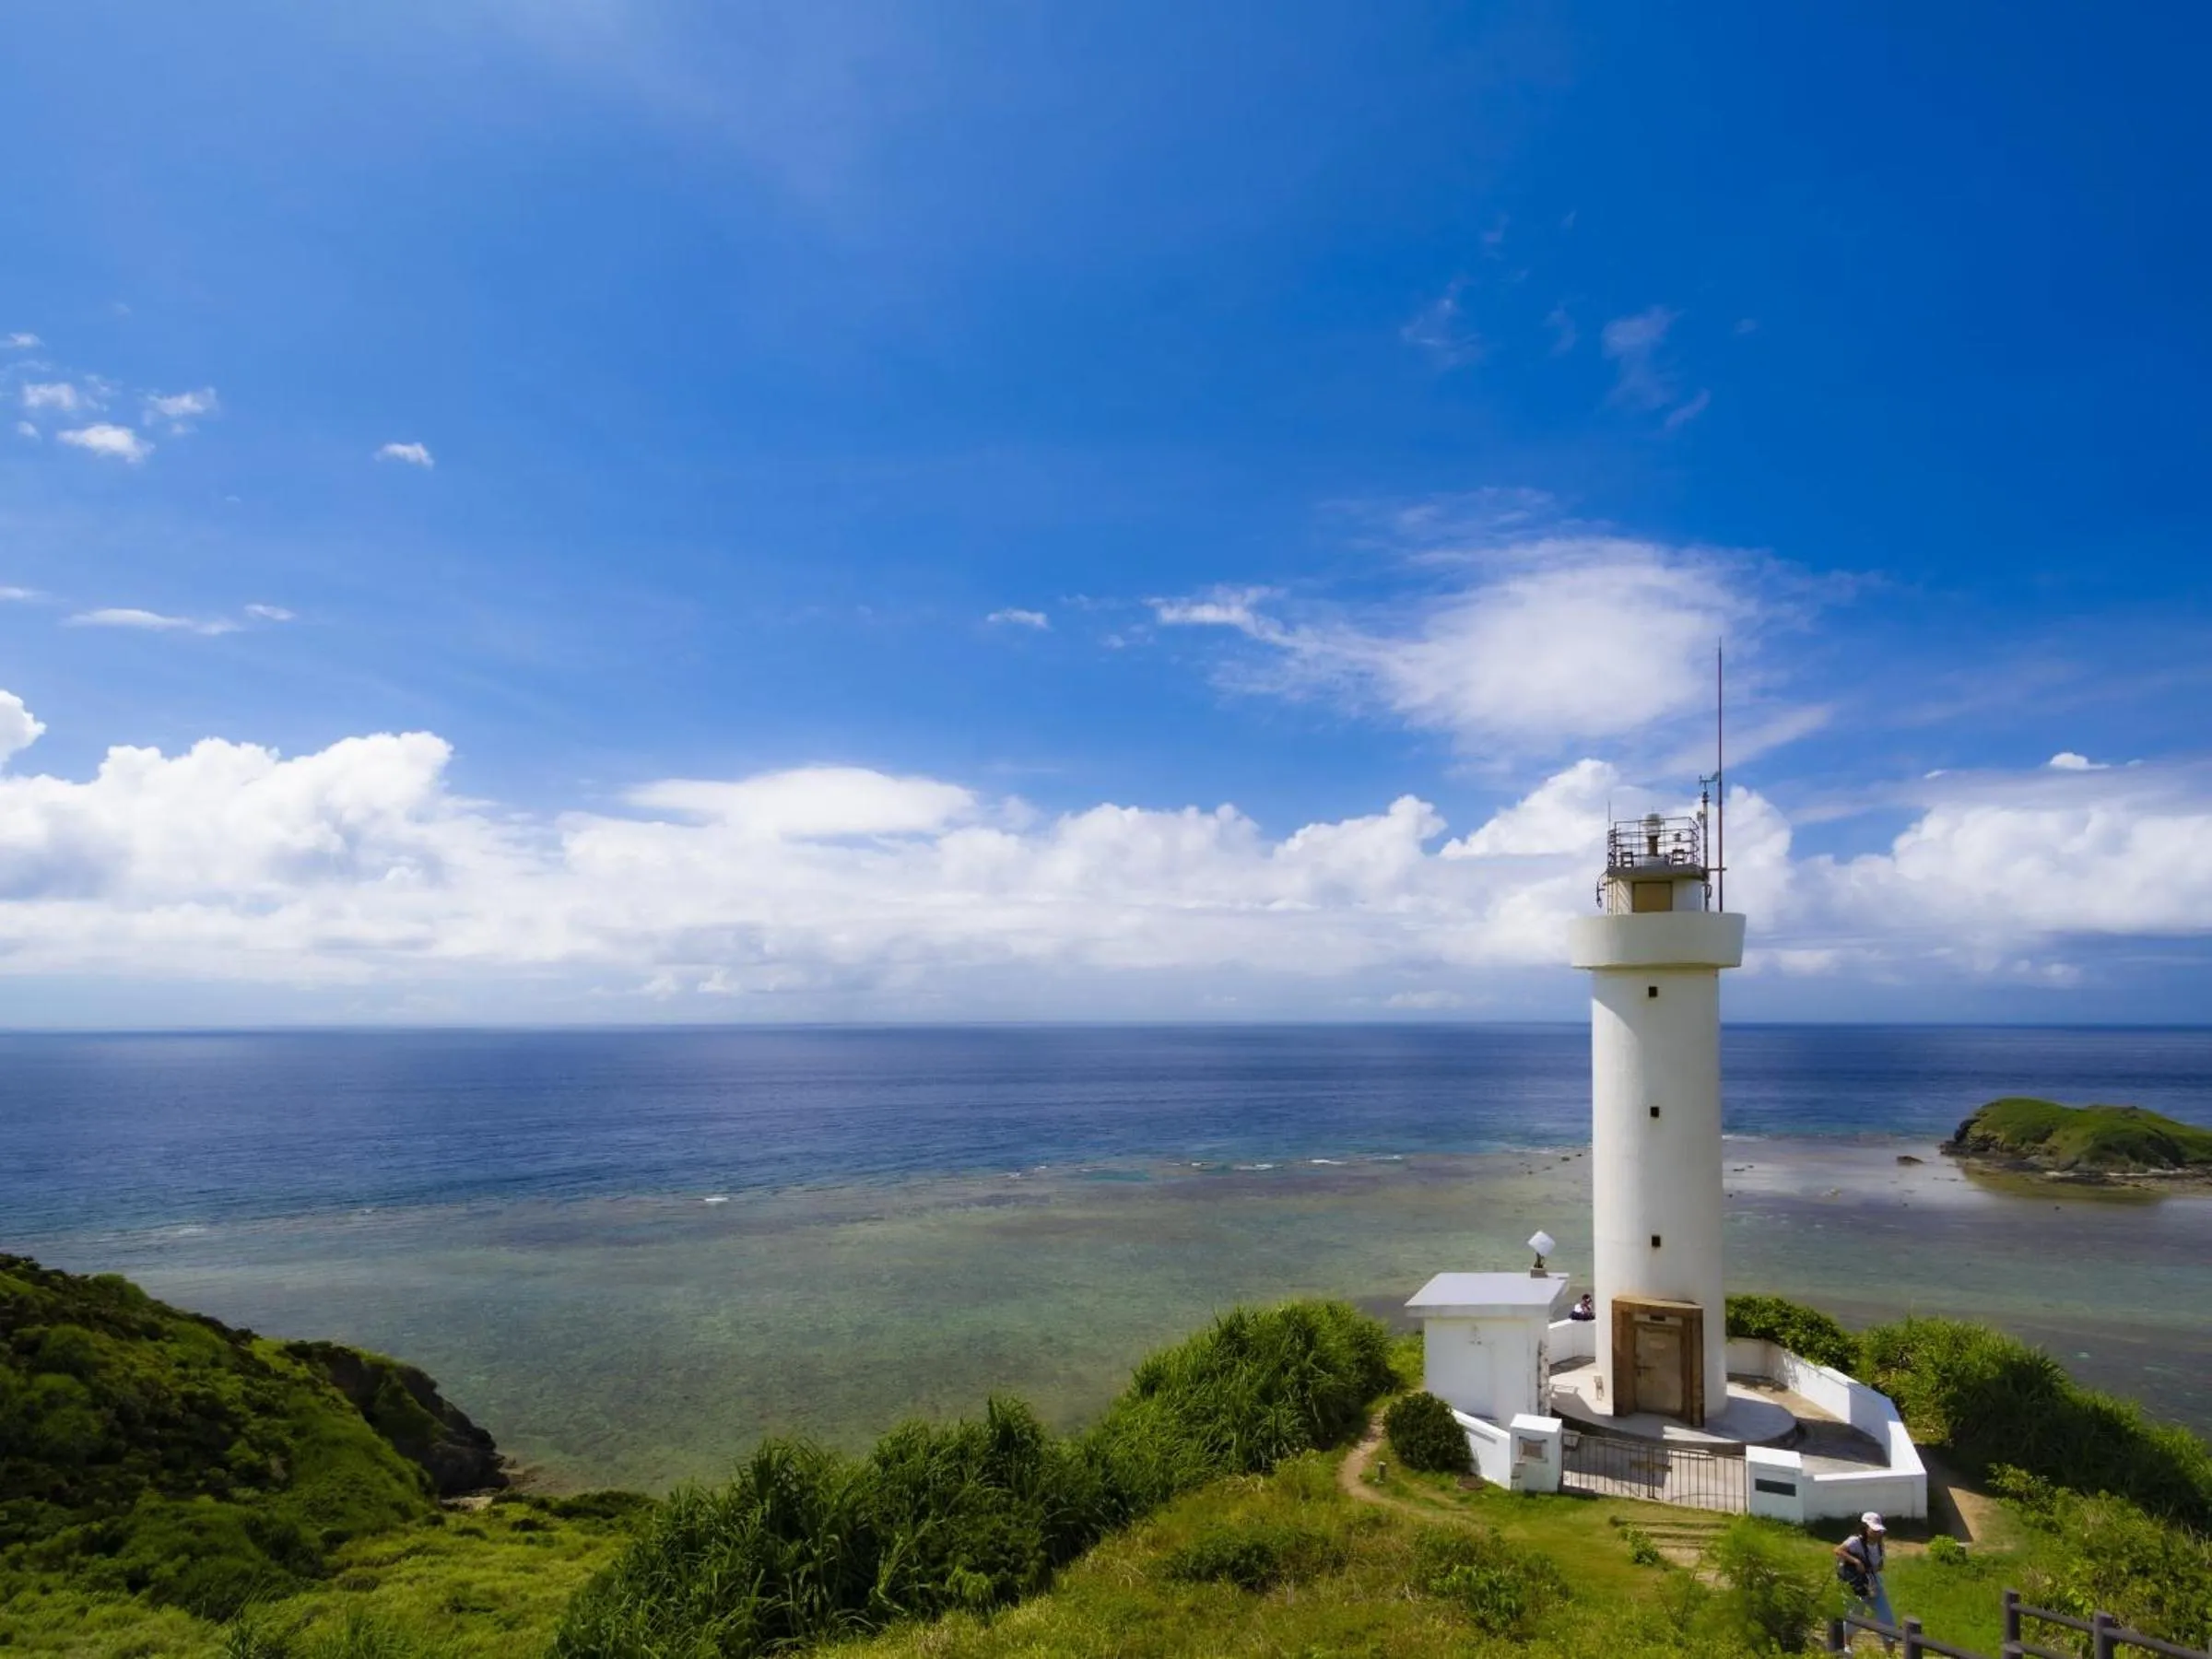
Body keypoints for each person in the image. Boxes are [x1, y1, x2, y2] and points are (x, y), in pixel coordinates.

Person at [1834, 1512, 1894, 1652]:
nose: (1877, 1533)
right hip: (1856, 1584)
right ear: (1865, 1528)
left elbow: (1879, 1566)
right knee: (1855, 1613)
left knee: (1887, 1618)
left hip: (1873, 1583)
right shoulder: (1855, 1541)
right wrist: (1856, 1561)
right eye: (1874, 1530)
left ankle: (1891, 1654)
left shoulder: (1879, 1544)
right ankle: (1847, 1646)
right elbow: (1838, 1550)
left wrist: (1872, 1568)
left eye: (1879, 1530)